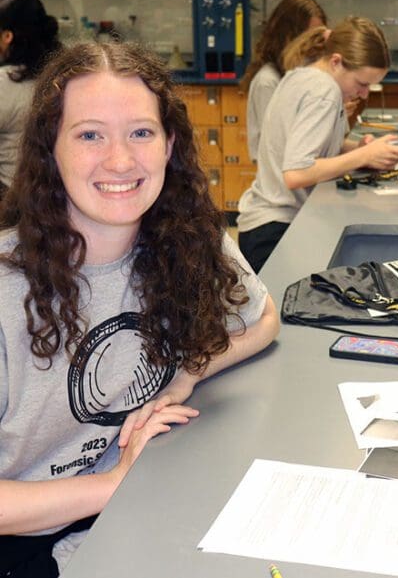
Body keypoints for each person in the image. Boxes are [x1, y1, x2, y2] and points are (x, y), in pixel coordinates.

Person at [0, 41, 279, 577]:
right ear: (48, 152)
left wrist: (184, 376)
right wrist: (109, 485)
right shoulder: (8, 290)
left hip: (135, 504)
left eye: (141, 132)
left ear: (169, 144)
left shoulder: (187, 238)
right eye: (89, 135)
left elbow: (263, 320)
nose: (121, 160)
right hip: (27, 539)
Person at [237, 16, 398, 274]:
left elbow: (310, 145)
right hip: (275, 230)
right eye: (361, 83)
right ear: (336, 61)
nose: (364, 94)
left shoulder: (302, 76)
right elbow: (296, 173)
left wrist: (359, 149)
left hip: (262, 226)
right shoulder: (324, 91)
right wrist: (362, 157)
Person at [240, 0, 327, 163]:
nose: (315, 45)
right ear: (288, 37)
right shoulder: (268, 81)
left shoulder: (302, 76)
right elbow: (280, 147)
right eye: (309, 37)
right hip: (279, 180)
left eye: (318, 38)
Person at [0, 0, 61, 199]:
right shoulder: (63, 76)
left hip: (11, 201)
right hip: (57, 199)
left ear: (7, 37)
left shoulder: (4, 82)